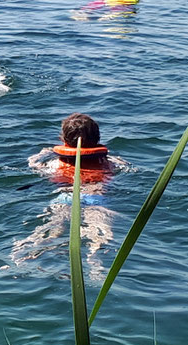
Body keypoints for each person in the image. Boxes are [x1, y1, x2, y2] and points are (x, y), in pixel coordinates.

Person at [14, 113, 117, 279]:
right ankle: (94, 261)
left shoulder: (55, 164)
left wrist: (39, 155)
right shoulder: (108, 162)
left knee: (53, 229)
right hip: (96, 198)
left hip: (65, 198)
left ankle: (27, 252)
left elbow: (34, 165)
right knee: (99, 232)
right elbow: (121, 167)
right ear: (97, 139)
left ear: (64, 140)